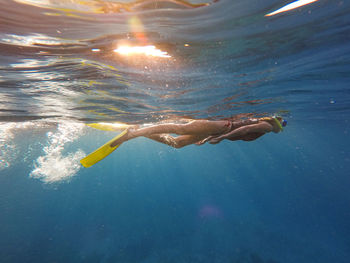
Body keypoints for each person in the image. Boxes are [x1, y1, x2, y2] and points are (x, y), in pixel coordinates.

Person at [110, 116, 287, 148]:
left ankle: (138, 131)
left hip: (218, 130)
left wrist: (209, 137)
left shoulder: (266, 127)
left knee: (178, 143)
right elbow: (245, 129)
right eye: (283, 122)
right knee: (180, 128)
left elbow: (243, 130)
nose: (282, 126)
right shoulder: (268, 126)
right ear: (276, 121)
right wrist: (223, 137)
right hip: (222, 128)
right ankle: (132, 134)